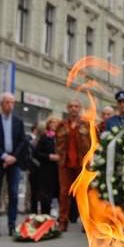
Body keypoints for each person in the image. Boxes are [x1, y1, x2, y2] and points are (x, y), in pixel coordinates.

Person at [0, 92, 28, 236]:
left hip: (14, 161)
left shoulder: (18, 121)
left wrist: (13, 157)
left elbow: (22, 141)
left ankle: (12, 224)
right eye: (7, 102)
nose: (10, 105)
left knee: (13, 194)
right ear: (1, 104)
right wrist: (4, 156)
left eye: (12, 103)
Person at [55, 99, 89, 232]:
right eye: (71, 106)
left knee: (83, 194)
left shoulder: (86, 125)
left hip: (82, 165)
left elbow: (93, 143)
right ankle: (63, 221)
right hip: (65, 164)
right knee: (64, 193)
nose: (73, 108)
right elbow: (57, 143)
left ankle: (86, 223)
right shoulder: (62, 125)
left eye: (76, 106)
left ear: (80, 108)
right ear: (67, 109)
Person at [32, 117, 60, 215]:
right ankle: (45, 215)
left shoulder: (62, 137)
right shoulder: (44, 137)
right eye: (52, 122)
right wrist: (49, 156)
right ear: (48, 124)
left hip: (59, 170)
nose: (54, 124)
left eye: (56, 123)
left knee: (58, 193)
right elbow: (36, 153)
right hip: (46, 169)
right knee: (45, 195)